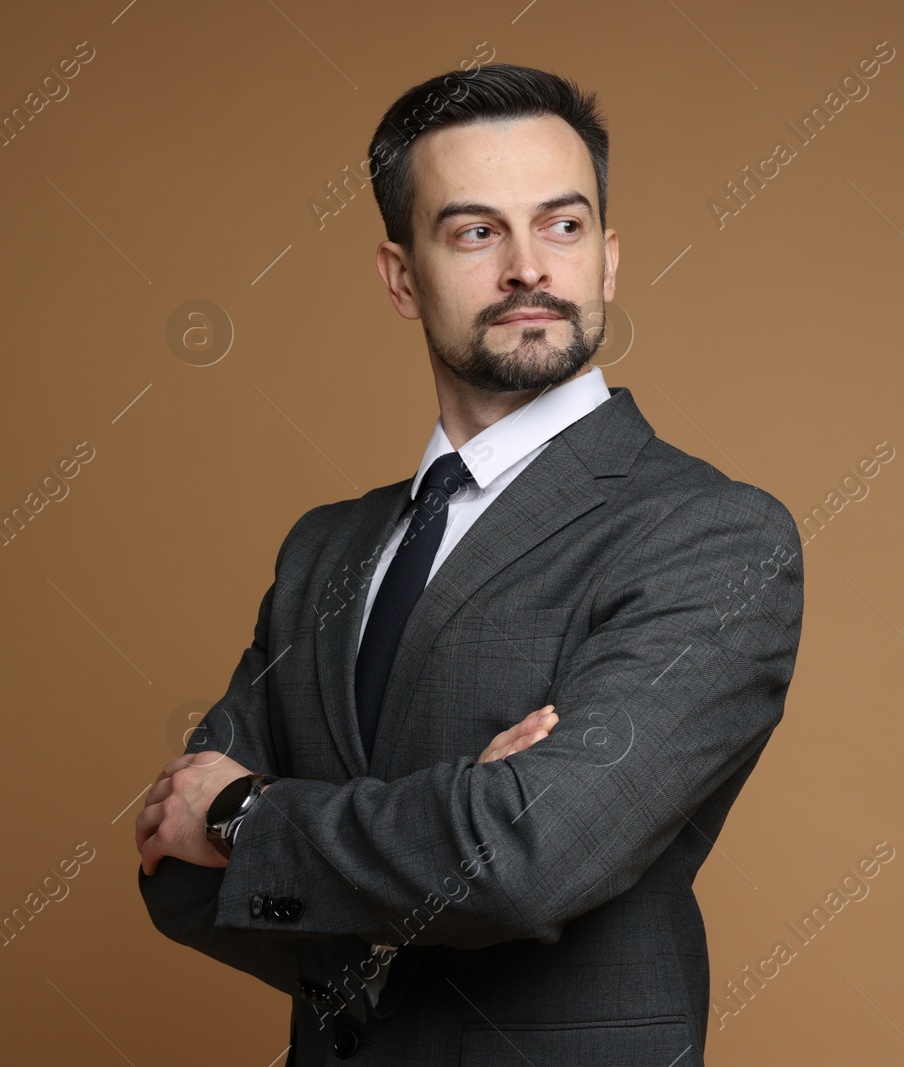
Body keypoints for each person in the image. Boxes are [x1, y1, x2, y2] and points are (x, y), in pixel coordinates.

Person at [134, 63, 804, 1066]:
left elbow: (526, 855)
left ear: (610, 259)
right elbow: (176, 871)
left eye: (563, 226)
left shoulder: (712, 535)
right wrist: (438, 852)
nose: (528, 267)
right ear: (402, 275)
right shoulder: (324, 551)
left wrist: (245, 811)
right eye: (476, 230)